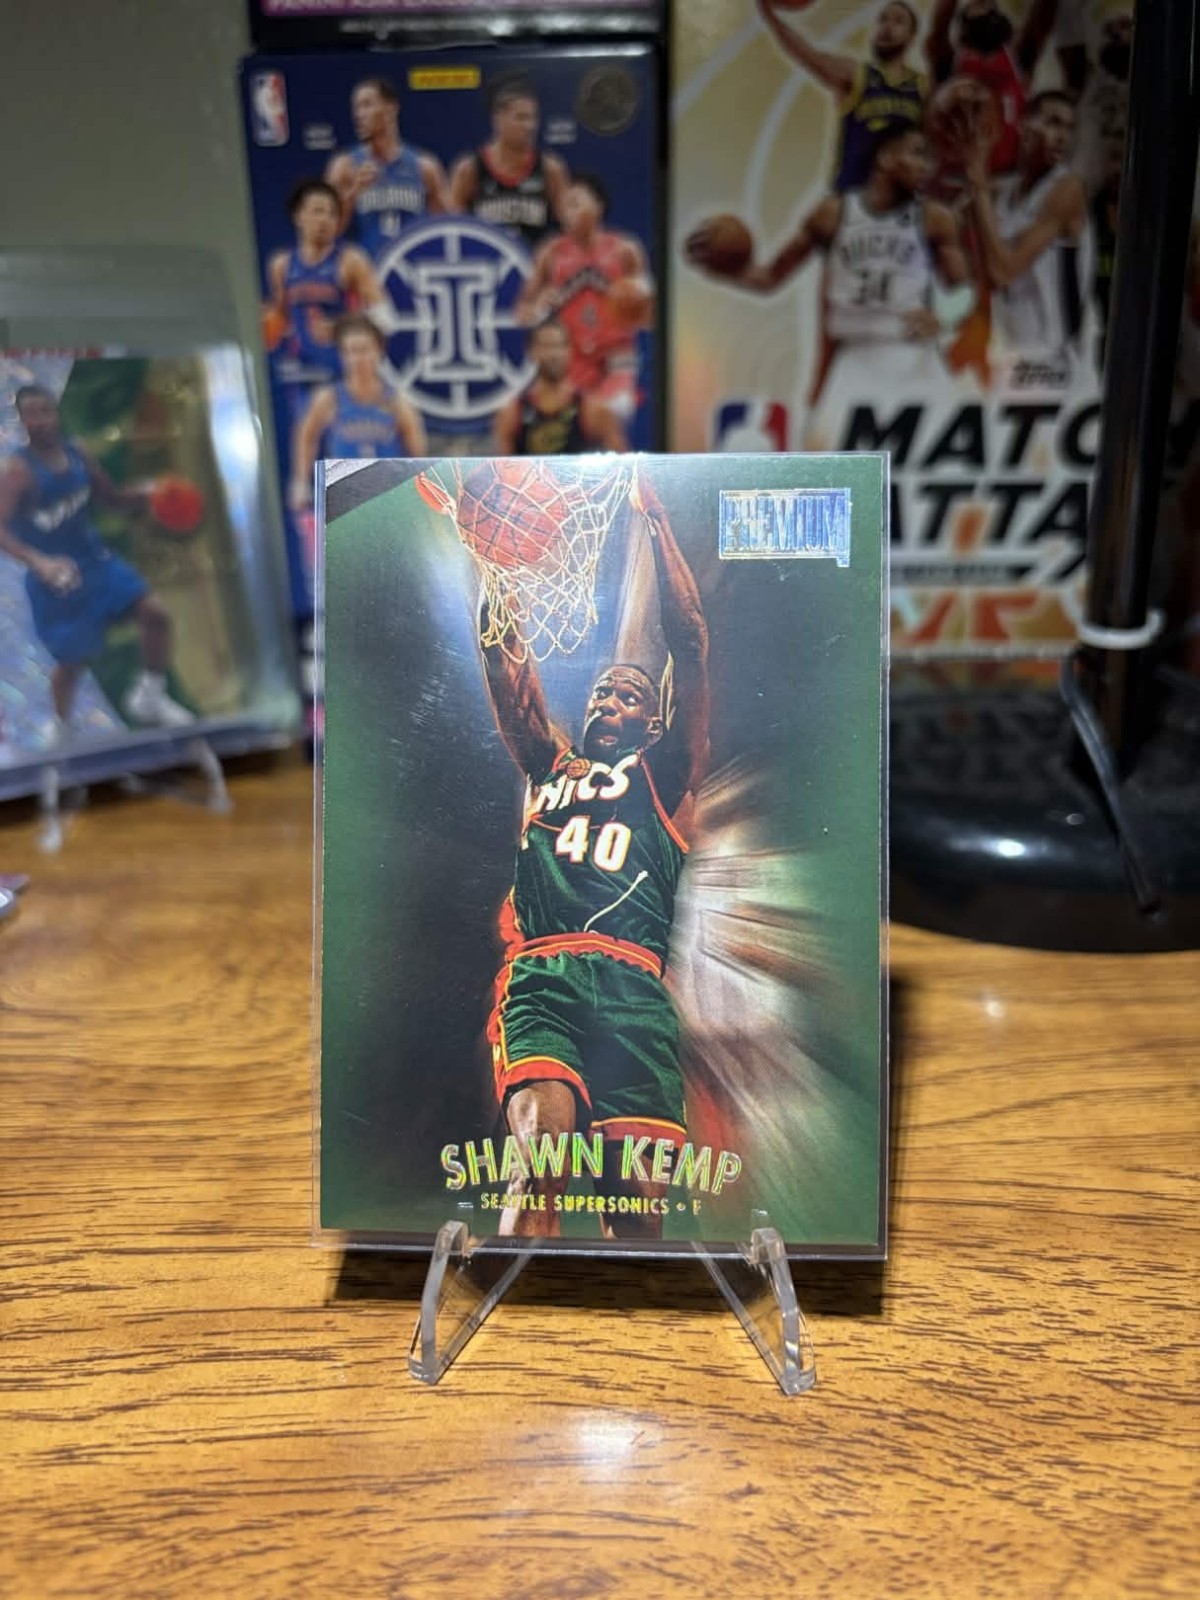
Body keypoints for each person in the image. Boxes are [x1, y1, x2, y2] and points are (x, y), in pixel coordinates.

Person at [479, 467, 709, 1239]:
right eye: (600, 693)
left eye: (627, 695)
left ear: (653, 722)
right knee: (535, 1172)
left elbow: (692, 644)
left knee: (636, 1218)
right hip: (546, 976)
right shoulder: (550, 764)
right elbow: (510, 677)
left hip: (634, 987)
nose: (607, 699)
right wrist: (493, 568)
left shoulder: (664, 776)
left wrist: (657, 521)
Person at [686, 127, 972, 446]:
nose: (926, 166)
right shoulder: (831, 214)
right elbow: (769, 278)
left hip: (916, 358)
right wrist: (726, 272)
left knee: (949, 467)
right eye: (916, 154)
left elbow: (964, 291)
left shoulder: (935, 218)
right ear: (886, 157)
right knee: (829, 463)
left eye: (928, 158)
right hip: (854, 360)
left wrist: (944, 317)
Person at [0, 387, 192, 735]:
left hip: (94, 559)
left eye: (46, 411)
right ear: (22, 420)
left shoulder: (77, 452)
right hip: (56, 578)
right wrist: (39, 561)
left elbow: (111, 498)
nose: (41, 420)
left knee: (155, 614)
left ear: (55, 413)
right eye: (32, 414)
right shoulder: (17, 471)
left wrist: (151, 493)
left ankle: (150, 696)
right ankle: (62, 729)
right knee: (73, 663)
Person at [963, 91, 1091, 386]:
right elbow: (986, 274)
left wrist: (978, 187)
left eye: (1069, 128)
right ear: (1024, 125)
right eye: (1053, 123)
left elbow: (1004, 271)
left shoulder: (1067, 189)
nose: (1062, 136)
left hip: (1052, 361)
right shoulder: (1004, 192)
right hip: (1009, 354)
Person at [518, 176, 654, 422]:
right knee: (573, 426)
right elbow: (521, 313)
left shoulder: (625, 250)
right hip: (571, 358)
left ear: (597, 207)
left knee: (615, 412)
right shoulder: (551, 253)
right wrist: (539, 307)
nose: (566, 212)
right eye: (564, 206)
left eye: (575, 204)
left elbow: (652, 317)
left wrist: (636, 306)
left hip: (616, 355)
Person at [758, 0, 927, 192]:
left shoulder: (923, 86)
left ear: (912, 36)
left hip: (901, 199)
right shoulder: (855, 74)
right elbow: (807, 54)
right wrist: (771, 19)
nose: (887, 26)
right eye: (883, 20)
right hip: (853, 195)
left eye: (898, 21)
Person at [291, 315, 426, 517]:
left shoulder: (397, 401)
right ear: (342, 355)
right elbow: (306, 437)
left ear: (379, 351)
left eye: (363, 350)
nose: (357, 359)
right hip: (343, 496)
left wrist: (418, 487)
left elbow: (417, 453)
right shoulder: (329, 398)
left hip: (388, 494)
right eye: (350, 351)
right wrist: (300, 481)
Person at [264, 179, 386, 382]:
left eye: (332, 214)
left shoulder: (350, 260)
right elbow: (281, 317)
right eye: (318, 211)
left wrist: (342, 326)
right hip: (300, 372)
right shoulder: (281, 265)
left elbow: (385, 317)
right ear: (298, 216)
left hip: (343, 374)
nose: (325, 220)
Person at [925, 0, 1060, 174]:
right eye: (977, 10)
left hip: (1008, 177)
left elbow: (1042, 17)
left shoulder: (1018, 57)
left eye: (990, 11)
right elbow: (940, 25)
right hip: (958, 177)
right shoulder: (948, 61)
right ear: (962, 29)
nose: (983, 9)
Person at [326, 77, 447, 261]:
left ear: (391, 108)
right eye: (356, 108)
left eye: (366, 105)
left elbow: (445, 227)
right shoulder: (344, 166)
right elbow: (328, 232)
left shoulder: (425, 167)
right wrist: (354, 192)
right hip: (366, 271)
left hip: (412, 269)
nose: (359, 115)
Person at [448, 76, 569, 250]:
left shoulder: (551, 169)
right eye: (521, 118)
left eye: (533, 118)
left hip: (534, 263)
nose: (529, 126)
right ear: (498, 119)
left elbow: (569, 230)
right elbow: (452, 229)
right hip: (487, 264)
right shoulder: (469, 169)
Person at [492, 321, 627, 455]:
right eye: (546, 346)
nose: (553, 354)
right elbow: (501, 466)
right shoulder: (512, 413)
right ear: (531, 351)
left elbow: (621, 463)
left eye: (559, 346)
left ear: (569, 350)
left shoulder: (594, 410)